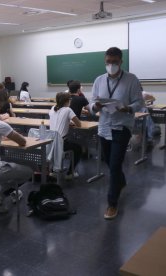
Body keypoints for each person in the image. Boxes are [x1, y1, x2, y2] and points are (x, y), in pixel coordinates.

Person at [90, 47, 144, 220]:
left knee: (114, 165)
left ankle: (112, 204)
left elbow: (139, 102)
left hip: (122, 126)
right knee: (108, 161)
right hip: (104, 126)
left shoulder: (131, 79)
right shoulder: (99, 80)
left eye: (114, 62)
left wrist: (128, 108)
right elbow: (92, 102)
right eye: (108, 62)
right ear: (105, 61)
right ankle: (120, 181)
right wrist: (95, 106)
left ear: (121, 62)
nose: (111, 65)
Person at [49, 92, 82, 179]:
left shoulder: (52, 108)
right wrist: (69, 122)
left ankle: (53, 171)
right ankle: (70, 173)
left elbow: (57, 121)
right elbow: (79, 124)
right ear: (67, 101)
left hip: (50, 141)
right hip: (61, 142)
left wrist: (67, 122)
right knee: (78, 149)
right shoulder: (68, 110)